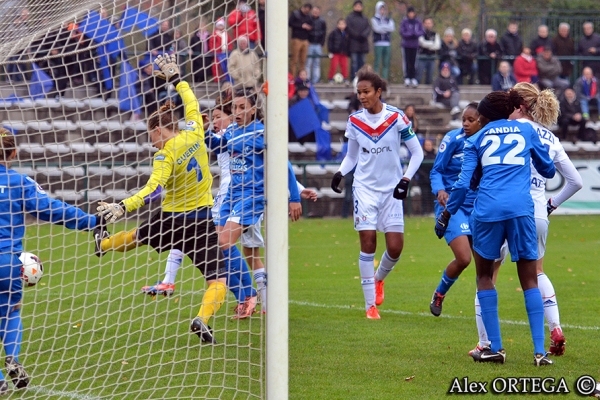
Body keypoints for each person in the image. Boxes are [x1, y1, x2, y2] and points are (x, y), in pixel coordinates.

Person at [95, 54, 225, 344]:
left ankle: (102, 243)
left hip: (172, 219)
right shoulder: (195, 131)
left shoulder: (164, 154)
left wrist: (122, 205)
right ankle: (201, 319)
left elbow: (152, 188)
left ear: (157, 130)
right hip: (202, 218)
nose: (151, 141)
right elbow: (191, 102)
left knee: (137, 237)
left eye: (150, 135)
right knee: (218, 280)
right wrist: (176, 77)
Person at [435, 90, 556, 366]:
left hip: (487, 211)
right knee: (529, 279)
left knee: (485, 276)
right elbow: (548, 170)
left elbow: (464, 184)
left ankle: (495, 348)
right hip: (521, 209)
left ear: (484, 116)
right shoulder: (526, 131)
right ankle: (540, 352)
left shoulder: (475, 139)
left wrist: (447, 214)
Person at [469, 82, 583, 360]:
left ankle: (486, 343)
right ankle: (553, 328)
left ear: (519, 105)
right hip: (537, 212)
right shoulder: (550, 138)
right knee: (536, 273)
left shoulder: (513, 129)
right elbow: (575, 181)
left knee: (487, 276)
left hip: (503, 207)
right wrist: (551, 204)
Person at [0, 131, 102, 393]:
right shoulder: (19, 182)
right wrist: (94, 222)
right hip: (8, 262)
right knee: (11, 311)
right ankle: (13, 358)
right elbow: (54, 210)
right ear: (12, 154)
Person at [330, 70, 424, 319]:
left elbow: (417, 153)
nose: (362, 96)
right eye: (359, 92)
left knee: (395, 248)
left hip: (392, 190)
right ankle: (370, 305)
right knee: (368, 241)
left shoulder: (396, 117)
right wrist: (340, 172)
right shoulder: (354, 121)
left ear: (378, 91)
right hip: (364, 189)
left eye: (366, 91)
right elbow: (351, 156)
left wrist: (405, 179)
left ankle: (379, 279)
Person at [208, 89, 302, 313]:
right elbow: (217, 146)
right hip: (232, 194)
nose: (238, 112)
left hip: (252, 195)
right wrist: (202, 131)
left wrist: (295, 197)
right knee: (219, 245)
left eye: (243, 107)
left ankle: (248, 295)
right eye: (235, 107)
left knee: (224, 242)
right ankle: (260, 300)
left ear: (253, 109)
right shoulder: (231, 130)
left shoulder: (261, 133)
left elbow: (284, 165)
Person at [429, 103, 482, 316]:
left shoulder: (487, 142)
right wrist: (440, 190)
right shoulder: (453, 139)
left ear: (481, 121)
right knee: (464, 258)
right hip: (451, 205)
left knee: (485, 264)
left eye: (471, 120)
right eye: (464, 120)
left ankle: (483, 310)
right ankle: (440, 293)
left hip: (478, 206)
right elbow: (436, 170)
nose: (466, 124)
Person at [346, 0, 371, 78]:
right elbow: (349, 28)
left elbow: (368, 28)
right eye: (357, 6)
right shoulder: (350, 17)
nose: (358, 7)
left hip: (363, 43)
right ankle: (354, 78)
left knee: (362, 62)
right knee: (354, 62)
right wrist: (357, 35)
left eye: (360, 6)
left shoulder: (365, 18)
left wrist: (363, 35)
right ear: (354, 7)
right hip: (353, 42)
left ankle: (362, 77)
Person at [400, 6, 423, 87]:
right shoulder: (404, 22)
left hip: (415, 45)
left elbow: (421, 31)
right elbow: (402, 32)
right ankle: (407, 78)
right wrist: (410, 34)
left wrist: (415, 34)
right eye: (410, 13)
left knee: (413, 62)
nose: (411, 14)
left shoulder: (417, 22)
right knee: (406, 61)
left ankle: (413, 78)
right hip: (406, 45)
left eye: (412, 12)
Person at [371, 1, 394, 81]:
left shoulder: (388, 19)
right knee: (377, 62)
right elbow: (377, 29)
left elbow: (391, 28)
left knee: (386, 63)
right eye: (381, 9)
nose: (382, 11)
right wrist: (385, 28)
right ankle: (375, 79)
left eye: (384, 9)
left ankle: (384, 79)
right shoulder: (374, 19)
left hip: (387, 43)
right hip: (378, 43)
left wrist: (382, 27)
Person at [288, 3, 313, 77]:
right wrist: (301, 26)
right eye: (306, 10)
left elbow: (311, 27)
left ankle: (301, 77)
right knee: (294, 59)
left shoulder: (308, 17)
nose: (307, 12)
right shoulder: (295, 14)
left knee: (303, 60)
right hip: (296, 39)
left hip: (305, 40)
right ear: (303, 8)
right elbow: (290, 23)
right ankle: (292, 76)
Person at [306, 6, 326, 84]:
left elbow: (324, 33)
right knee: (308, 62)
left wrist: (322, 43)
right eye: (314, 11)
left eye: (317, 12)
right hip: (309, 44)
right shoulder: (308, 20)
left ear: (319, 12)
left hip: (318, 45)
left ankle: (316, 80)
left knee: (317, 63)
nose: (315, 13)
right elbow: (306, 32)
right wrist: (307, 41)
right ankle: (307, 79)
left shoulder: (322, 21)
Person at [418, 17, 441, 85]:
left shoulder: (435, 34)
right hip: (421, 57)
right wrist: (432, 44)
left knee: (429, 77)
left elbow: (437, 46)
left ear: (432, 24)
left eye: (429, 23)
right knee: (419, 76)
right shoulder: (420, 33)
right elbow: (422, 43)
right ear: (423, 24)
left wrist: (428, 45)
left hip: (431, 57)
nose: (428, 25)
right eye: (426, 23)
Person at [190, 18, 212, 83]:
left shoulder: (209, 36)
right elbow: (191, 46)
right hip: (197, 58)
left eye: (204, 26)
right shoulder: (194, 37)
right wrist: (191, 52)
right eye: (201, 26)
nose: (203, 28)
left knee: (204, 75)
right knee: (196, 75)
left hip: (206, 58)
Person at [327, 19, 350, 83]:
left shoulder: (347, 33)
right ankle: (330, 78)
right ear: (337, 25)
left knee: (344, 66)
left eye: (343, 24)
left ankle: (345, 78)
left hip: (344, 52)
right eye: (340, 24)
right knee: (333, 66)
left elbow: (348, 43)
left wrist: (348, 51)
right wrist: (330, 51)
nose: (341, 25)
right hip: (335, 52)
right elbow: (330, 42)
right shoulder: (333, 33)